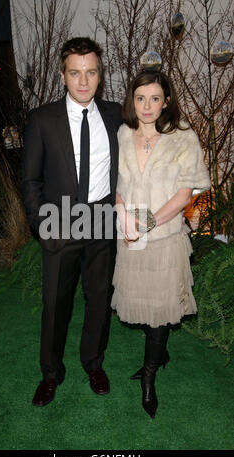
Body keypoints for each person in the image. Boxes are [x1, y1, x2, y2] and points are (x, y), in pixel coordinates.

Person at [22, 37, 122, 406]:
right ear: (63, 75)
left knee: (99, 298)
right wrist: (42, 227)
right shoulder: (42, 119)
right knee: (55, 303)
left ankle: (93, 363)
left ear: (100, 75)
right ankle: (51, 373)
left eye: (91, 72)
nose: (83, 81)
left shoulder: (114, 115)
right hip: (59, 220)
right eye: (75, 73)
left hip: (100, 218)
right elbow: (30, 181)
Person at [112, 70, 210, 418]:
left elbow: (185, 194)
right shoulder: (123, 134)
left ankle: (149, 376)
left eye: (155, 98)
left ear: (166, 100)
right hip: (131, 234)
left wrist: (147, 224)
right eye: (141, 98)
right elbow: (119, 187)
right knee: (141, 307)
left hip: (164, 236)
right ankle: (160, 352)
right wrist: (125, 219)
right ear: (132, 101)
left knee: (159, 312)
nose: (147, 106)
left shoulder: (183, 137)